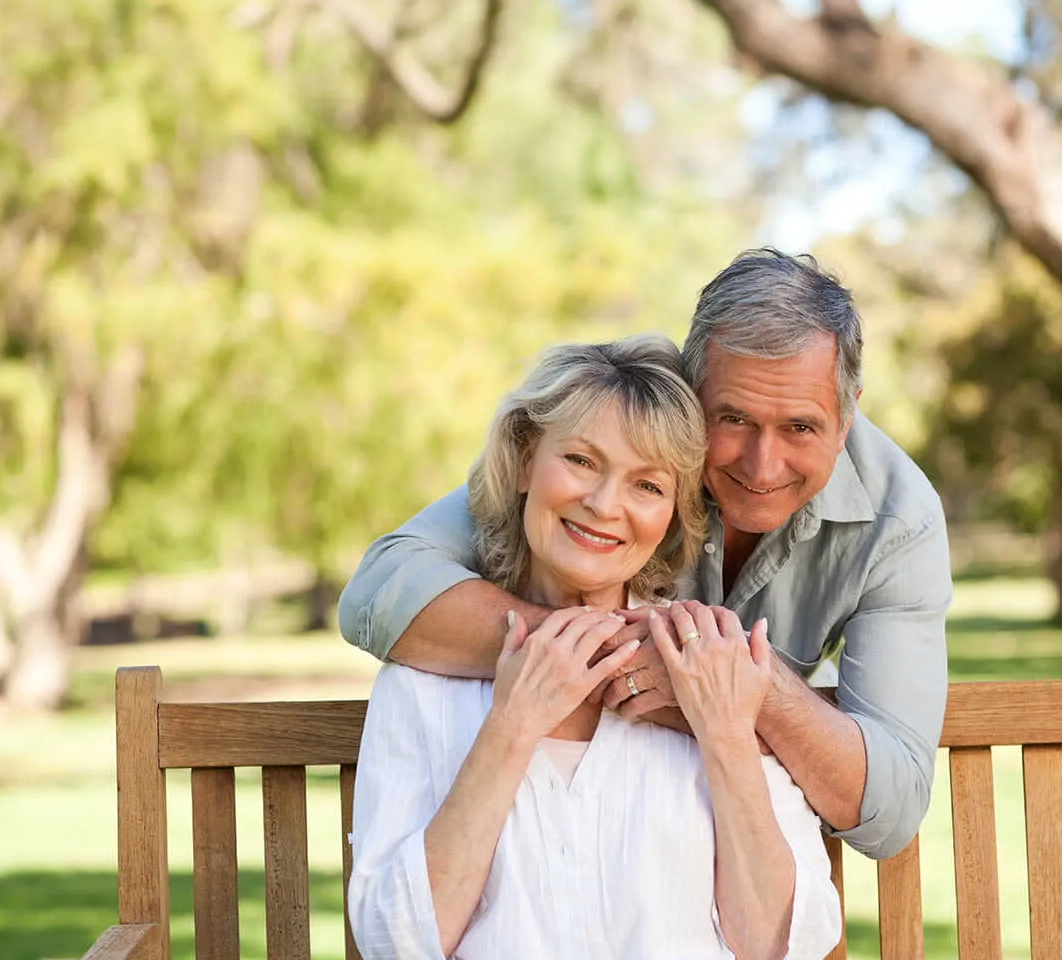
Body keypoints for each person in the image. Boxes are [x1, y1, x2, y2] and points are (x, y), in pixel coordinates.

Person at [339, 249, 950, 860]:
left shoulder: (899, 520)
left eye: (800, 428)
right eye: (732, 418)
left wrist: (729, 684)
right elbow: (380, 590)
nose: (763, 466)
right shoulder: (626, 440)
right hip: (565, 831)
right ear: (692, 390)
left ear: (846, 419)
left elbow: (889, 810)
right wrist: (607, 651)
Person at [348, 335, 841, 959]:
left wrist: (726, 736)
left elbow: (784, 947)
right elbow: (396, 942)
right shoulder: (424, 676)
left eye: (648, 486)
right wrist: (510, 726)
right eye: (581, 460)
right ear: (526, 460)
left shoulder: (711, 667)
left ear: (674, 514)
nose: (605, 505)